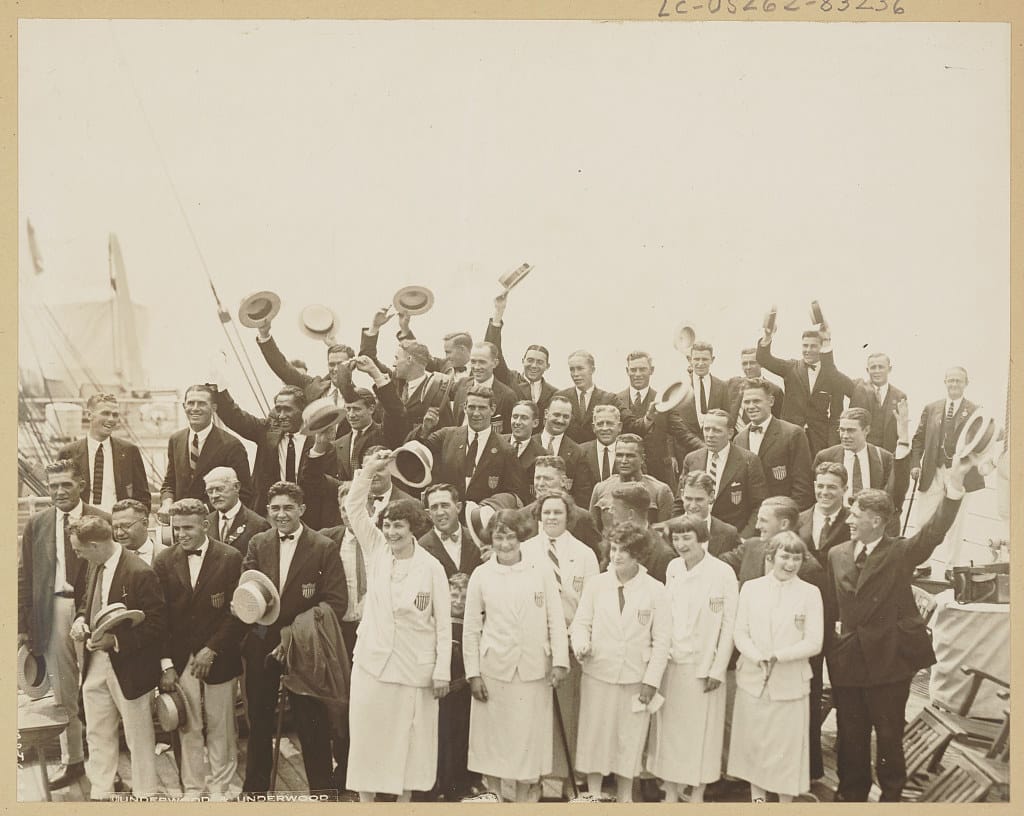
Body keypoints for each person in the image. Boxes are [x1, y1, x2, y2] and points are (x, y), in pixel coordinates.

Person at [824, 451, 977, 802]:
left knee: (889, 735)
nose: (850, 520)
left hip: (888, 661)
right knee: (851, 735)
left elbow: (933, 532)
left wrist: (953, 488)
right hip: (849, 661)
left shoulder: (900, 553)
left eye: (857, 515)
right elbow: (833, 607)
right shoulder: (837, 555)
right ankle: (851, 797)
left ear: (877, 521)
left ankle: (892, 799)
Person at [343, 451, 453, 802]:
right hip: (372, 664)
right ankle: (366, 805)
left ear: (412, 529)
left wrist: (442, 672)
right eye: (387, 525)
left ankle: (405, 806)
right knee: (367, 738)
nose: (390, 532)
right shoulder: (375, 550)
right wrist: (369, 472)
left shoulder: (431, 567)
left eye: (398, 526)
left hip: (414, 669)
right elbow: (355, 508)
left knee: (410, 743)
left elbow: (443, 626)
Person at [240, 481, 347, 796]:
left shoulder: (323, 547)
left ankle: (321, 792)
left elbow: (335, 601)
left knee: (311, 722)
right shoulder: (258, 543)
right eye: (275, 508)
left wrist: (292, 637)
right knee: (258, 721)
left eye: (288, 507)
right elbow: (246, 589)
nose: (281, 514)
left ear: (302, 509)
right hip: (262, 643)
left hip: (304, 646)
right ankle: (255, 790)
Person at [463, 509, 569, 803]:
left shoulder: (541, 571)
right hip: (494, 669)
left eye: (510, 536)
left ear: (520, 537)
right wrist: (473, 674)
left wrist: (560, 662)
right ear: (491, 539)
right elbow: (471, 628)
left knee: (527, 741)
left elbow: (555, 620)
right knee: (492, 741)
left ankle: (525, 797)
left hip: (533, 669)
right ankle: (495, 795)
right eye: (499, 537)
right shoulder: (482, 575)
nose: (505, 544)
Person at [719, 497, 828, 782]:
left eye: (763, 520)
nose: (756, 525)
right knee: (751, 733)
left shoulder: (811, 570)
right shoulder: (752, 546)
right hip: (753, 666)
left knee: (782, 739)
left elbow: (815, 634)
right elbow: (721, 565)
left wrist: (783, 657)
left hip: (789, 671)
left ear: (783, 524)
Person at [17, 460, 109, 790]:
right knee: (63, 692)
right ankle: (73, 762)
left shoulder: (102, 519)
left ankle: (104, 766)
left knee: (101, 689)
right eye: (53, 485)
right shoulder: (38, 523)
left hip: (95, 611)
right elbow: (25, 575)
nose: (58, 492)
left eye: (65, 485)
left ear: (81, 485)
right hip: (53, 611)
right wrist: (24, 626)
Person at [571, 521, 671, 803]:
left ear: (637, 554)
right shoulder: (596, 585)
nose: (616, 556)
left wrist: (651, 681)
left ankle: (626, 798)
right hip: (598, 674)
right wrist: (581, 645)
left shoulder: (655, 590)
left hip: (635, 678)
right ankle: (593, 795)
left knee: (629, 740)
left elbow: (662, 641)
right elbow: (581, 624)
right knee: (595, 737)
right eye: (613, 549)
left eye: (623, 551)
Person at [154, 499, 246, 801]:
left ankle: (221, 789)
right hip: (181, 659)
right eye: (176, 528)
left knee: (222, 726)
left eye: (188, 528)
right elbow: (160, 617)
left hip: (219, 655)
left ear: (205, 525)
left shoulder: (231, 557)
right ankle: (192, 790)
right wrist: (166, 664)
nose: (181, 534)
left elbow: (237, 613)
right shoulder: (164, 560)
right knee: (187, 725)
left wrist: (212, 649)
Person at [70, 515, 167, 801]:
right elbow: (88, 603)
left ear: (97, 545)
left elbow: (157, 624)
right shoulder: (94, 566)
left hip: (130, 666)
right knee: (97, 731)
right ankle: (101, 792)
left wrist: (116, 640)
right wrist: (80, 620)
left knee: (138, 735)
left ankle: (145, 794)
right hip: (94, 665)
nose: (77, 554)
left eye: (79, 549)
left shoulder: (140, 572)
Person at [648, 515, 738, 804]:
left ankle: (697, 793)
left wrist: (717, 667)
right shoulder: (673, 568)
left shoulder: (723, 573)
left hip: (704, 669)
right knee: (671, 733)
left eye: (688, 538)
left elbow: (729, 624)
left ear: (703, 539)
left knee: (703, 734)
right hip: (674, 664)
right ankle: (671, 792)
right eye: (676, 538)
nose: (681, 544)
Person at [522, 490, 600, 797]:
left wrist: (575, 636)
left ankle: (568, 781)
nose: (551, 517)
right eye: (547, 512)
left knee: (568, 716)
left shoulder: (584, 554)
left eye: (558, 512)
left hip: (569, 642)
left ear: (569, 516)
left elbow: (591, 603)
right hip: (535, 643)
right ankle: (537, 780)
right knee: (537, 716)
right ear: (538, 515)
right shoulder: (526, 551)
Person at [215, 384, 337, 528]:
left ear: (303, 410)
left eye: (288, 409)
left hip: (310, 520)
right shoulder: (267, 432)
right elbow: (234, 416)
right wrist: (217, 385)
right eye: (278, 409)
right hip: (270, 518)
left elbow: (322, 485)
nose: (281, 415)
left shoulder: (321, 444)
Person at [908, 366, 986, 571]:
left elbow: (982, 443)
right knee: (923, 518)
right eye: (950, 380)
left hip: (959, 474)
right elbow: (918, 439)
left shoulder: (976, 411)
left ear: (966, 383)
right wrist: (915, 464)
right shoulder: (931, 407)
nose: (953, 384)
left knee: (956, 522)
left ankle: (952, 567)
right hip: (933, 470)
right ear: (945, 382)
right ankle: (922, 564)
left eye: (958, 381)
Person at [756, 315, 851, 457]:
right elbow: (764, 359)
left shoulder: (832, 376)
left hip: (819, 439)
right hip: (789, 435)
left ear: (822, 347)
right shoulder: (791, 368)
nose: (808, 350)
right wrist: (768, 336)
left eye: (813, 346)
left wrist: (832, 447)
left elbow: (837, 413)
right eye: (805, 345)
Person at [414, 384, 524, 503]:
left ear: (492, 410)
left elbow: (513, 495)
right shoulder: (446, 436)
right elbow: (413, 455)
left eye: (482, 408)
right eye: (472, 407)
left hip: (481, 517)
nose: (476, 413)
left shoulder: (506, 450)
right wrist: (425, 429)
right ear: (465, 408)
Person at [159, 384, 253, 517]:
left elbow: (243, 492)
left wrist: (203, 510)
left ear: (213, 408)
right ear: (184, 407)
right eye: (191, 403)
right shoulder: (176, 440)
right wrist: (167, 502)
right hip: (180, 522)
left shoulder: (232, 445)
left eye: (202, 404)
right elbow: (170, 482)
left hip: (214, 523)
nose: (195, 408)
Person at [678, 409, 768, 538]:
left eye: (717, 430)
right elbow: (679, 502)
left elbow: (759, 505)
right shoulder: (691, 459)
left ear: (730, 433)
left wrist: (743, 539)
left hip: (734, 538)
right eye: (706, 429)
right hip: (696, 537)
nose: (710, 435)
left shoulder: (748, 460)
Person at [57, 392, 151, 513]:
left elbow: (142, 496)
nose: (111, 419)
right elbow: (60, 495)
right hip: (81, 524)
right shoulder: (68, 453)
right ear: (89, 415)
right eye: (105, 413)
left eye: (115, 415)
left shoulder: (130, 451)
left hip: (117, 524)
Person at [733, 378, 813, 510]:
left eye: (756, 401)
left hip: (782, 515)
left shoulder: (793, 434)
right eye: (747, 402)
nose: (751, 406)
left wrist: (789, 518)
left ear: (771, 401)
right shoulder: (739, 439)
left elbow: (803, 487)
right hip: (750, 519)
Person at [330, 355, 410, 485]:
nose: (351, 415)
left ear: (371, 409)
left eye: (356, 409)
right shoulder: (339, 443)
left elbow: (396, 411)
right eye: (348, 409)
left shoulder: (385, 433)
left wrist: (374, 372)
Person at [615, 350, 690, 487]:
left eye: (642, 369)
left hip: (659, 475)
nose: (637, 374)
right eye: (633, 370)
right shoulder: (616, 400)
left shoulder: (665, 400)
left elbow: (683, 435)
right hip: (625, 476)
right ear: (627, 371)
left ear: (652, 370)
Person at [255, 315, 356, 406]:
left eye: (340, 364)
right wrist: (264, 335)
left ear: (352, 365)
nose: (335, 369)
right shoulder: (312, 386)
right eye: (331, 364)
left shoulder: (359, 395)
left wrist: (335, 346)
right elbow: (282, 366)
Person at [486, 289, 559, 414]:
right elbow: (492, 349)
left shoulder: (553, 393)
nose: (534, 365)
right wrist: (499, 311)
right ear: (522, 361)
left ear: (547, 366)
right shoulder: (509, 379)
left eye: (540, 362)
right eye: (530, 360)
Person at [519, 456, 603, 560]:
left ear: (563, 481)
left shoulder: (582, 518)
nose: (540, 484)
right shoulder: (522, 517)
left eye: (547, 478)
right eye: (537, 478)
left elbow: (596, 558)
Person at [814, 407, 896, 509]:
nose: (845, 436)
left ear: (866, 430)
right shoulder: (825, 457)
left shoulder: (884, 457)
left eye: (851, 431)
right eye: (842, 430)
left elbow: (889, 496)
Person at [589, 434, 674, 529]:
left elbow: (666, 533)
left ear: (642, 459)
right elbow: (592, 532)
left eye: (630, 456)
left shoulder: (660, 491)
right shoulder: (601, 488)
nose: (624, 461)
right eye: (619, 455)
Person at [656, 471, 742, 560]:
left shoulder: (729, 533)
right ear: (682, 495)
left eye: (699, 500)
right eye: (688, 499)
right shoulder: (667, 531)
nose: (693, 506)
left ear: (711, 497)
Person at [602, 482, 677, 583]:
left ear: (630, 514)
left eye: (614, 509)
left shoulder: (662, 556)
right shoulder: (613, 543)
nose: (610, 512)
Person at [678, 341, 735, 454]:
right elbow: (671, 421)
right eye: (696, 359)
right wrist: (671, 454)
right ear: (690, 360)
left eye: (704, 359)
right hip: (684, 448)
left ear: (712, 360)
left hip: (714, 447)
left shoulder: (721, 386)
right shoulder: (680, 387)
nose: (700, 363)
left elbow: (726, 418)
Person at [554, 350, 620, 443]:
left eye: (580, 368)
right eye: (572, 369)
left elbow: (628, 425)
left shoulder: (609, 399)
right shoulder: (560, 397)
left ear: (592, 370)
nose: (575, 374)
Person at [451, 342, 518, 434]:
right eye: (473, 362)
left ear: (495, 363)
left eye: (482, 362)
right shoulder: (462, 385)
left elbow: (508, 434)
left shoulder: (507, 396)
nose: (476, 367)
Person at [419, 483, 482, 578]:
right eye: (434, 507)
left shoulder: (477, 540)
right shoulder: (421, 547)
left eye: (445, 505)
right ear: (429, 514)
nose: (440, 512)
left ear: (458, 507)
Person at [204, 466, 271, 555]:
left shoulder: (259, 525)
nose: (214, 495)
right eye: (210, 491)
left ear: (236, 487)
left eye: (220, 489)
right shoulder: (206, 522)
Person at [798, 462, 851, 567]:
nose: (825, 492)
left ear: (845, 489)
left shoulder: (852, 521)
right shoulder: (798, 520)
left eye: (832, 487)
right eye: (820, 486)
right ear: (814, 486)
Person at [571, 404, 623, 508]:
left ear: (619, 427)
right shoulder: (580, 451)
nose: (605, 428)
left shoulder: (627, 451)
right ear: (593, 428)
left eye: (609, 423)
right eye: (600, 424)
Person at [727, 347, 785, 430]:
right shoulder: (732, 385)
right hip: (735, 439)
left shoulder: (774, 390)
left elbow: (779, 420)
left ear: (761, 364)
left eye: (752, 363)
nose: (748, 367)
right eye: (744, 363)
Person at [535, 394, 583, 488]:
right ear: (546, 414)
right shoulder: (529, 444)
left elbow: (580, 492)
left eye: (565, 417)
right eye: (556, 415)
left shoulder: (577, 452)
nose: (560, 420)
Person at [506, 400, 547, 496]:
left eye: (524, 418)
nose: (517, 422)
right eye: (515, 417)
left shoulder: (542, 455)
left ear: (535, 423)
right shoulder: (497, 443)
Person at [112, 499, 168, 567]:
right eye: (115, 527)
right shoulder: (109, 558)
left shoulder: (168, 556)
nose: (119, 533)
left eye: (126, 526)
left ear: (145, 523)